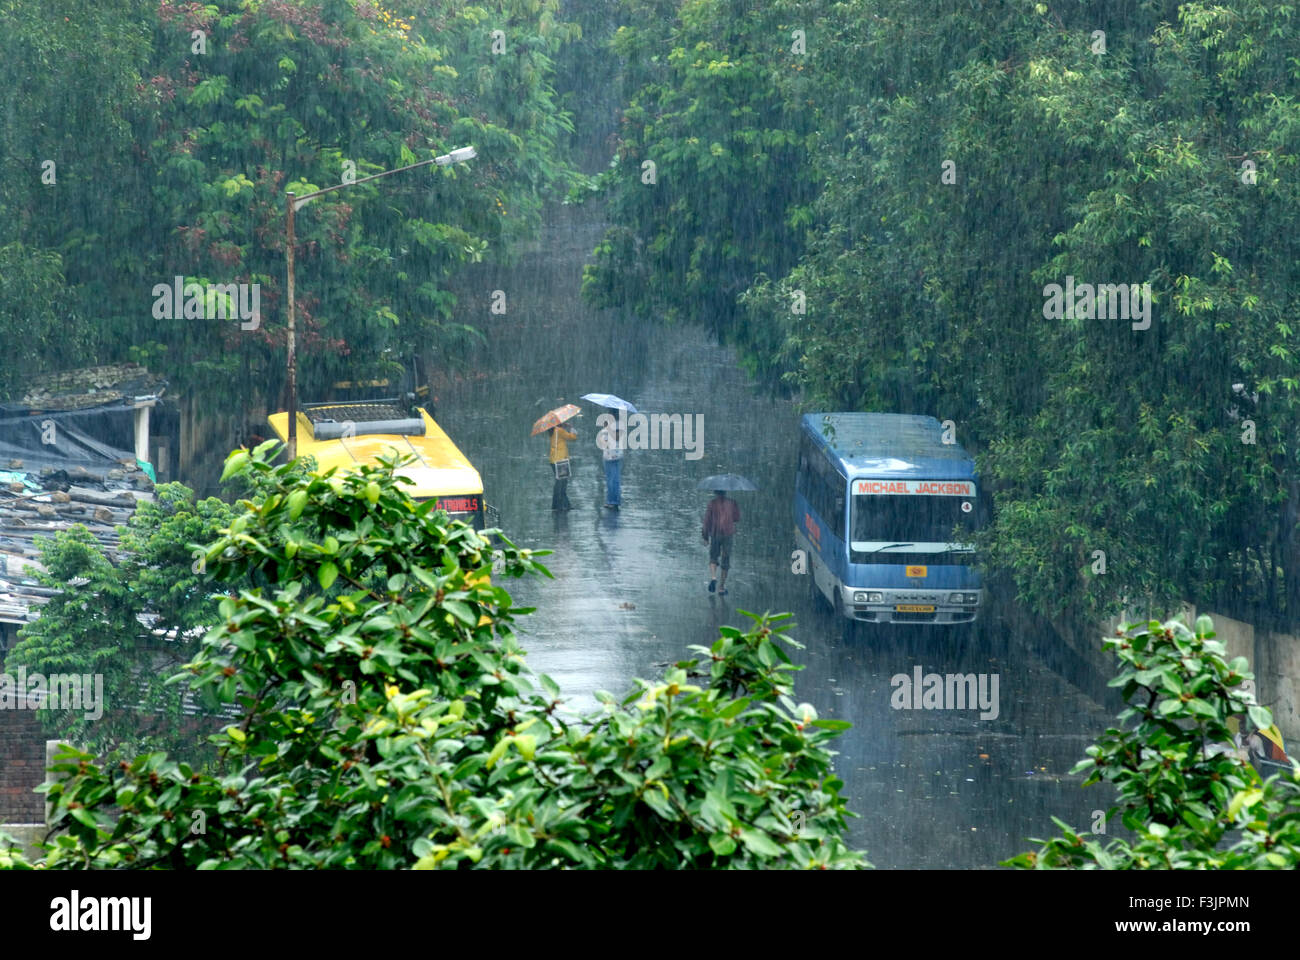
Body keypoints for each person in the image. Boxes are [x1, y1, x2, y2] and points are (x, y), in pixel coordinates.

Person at [701, 489, 740, 594]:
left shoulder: (712, 504)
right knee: (725, 560)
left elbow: (707, 521)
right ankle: (721, 587)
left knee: (713, 557)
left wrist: (705, 536)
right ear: (726, 492)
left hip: (715, 533)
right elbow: (737, 518)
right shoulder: (732, 503)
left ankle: (714, 577)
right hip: (728, 533)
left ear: (715, 492)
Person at [597, 415, 623, 509]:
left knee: (613, 480)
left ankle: (614, 501)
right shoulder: (606, 431)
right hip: (608, 457)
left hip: (614, 457)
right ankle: (610, 500)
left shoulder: (617, 429)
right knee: (610, 480)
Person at [549, 422, 576, 511]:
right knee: (562, 484)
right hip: (561, 460)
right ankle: (560, 505)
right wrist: (571, 428)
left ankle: (561, 505)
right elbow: (573, 437)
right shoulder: (560, 431)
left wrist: (563, 426)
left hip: (554, 459)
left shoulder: (553, 431)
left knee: (559, 483)